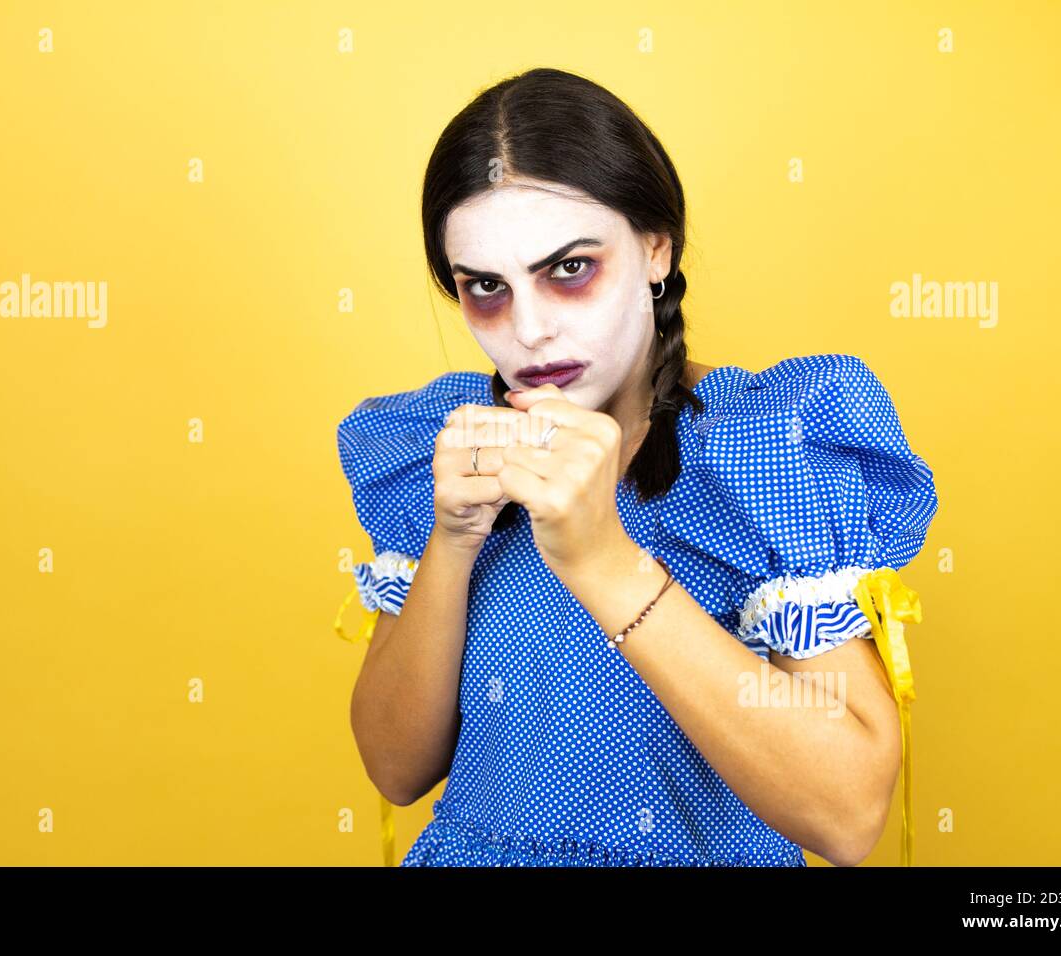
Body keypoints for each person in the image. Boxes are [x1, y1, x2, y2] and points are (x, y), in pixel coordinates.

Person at [335, 67, 938, 867]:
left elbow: (849, 814)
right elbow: (397, 768)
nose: (531, 330)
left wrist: (603, 562)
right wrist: (452, 539)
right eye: (487, 287)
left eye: (570, 269)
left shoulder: (758, 457)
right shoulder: (444, 453)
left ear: (657, 248)